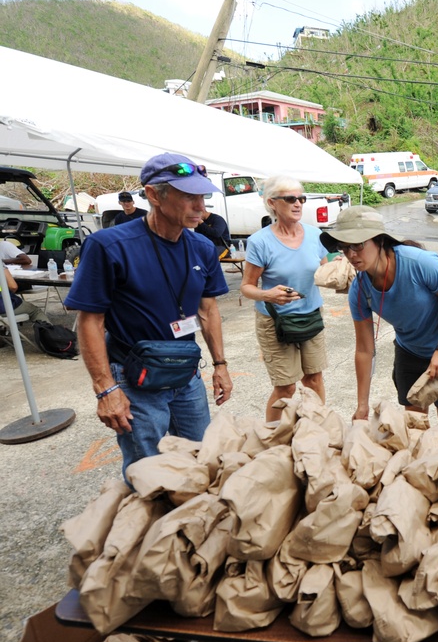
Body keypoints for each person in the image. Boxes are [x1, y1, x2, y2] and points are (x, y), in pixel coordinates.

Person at [64, 153, 232, 482]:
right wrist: (105, 389)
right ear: (154, 195)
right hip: (134, 376)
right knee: (148, 472)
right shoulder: (109, 246)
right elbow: (90, 322)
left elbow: (208, 310)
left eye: (203, 196)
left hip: (186, 374)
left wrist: (221, 365)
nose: (200, 206)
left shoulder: (202, 247)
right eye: (188, 196)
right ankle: (149, 531)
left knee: (200, 457)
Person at [322, 206, 438, 422]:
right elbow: (364, 349)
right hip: (409, 351)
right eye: (344, 248)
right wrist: (362, 405)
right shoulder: (359, 290)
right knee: (413, 427)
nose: (351, 255)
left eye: (357, 245)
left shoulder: (419, 263)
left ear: (380, 240)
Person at [240, 175, 329, 422]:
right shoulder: (260, 241)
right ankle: (272, 440)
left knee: (314, 380)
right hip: (275, 321)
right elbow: (247, 287)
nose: (298, 203)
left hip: (311, 316)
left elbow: (325, 273)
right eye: (290, 198)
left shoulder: (315, 235)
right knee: (286, 387)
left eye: (301, 198)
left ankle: (315, 429)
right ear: (272, 203)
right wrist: (267, 294)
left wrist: (342, 272)